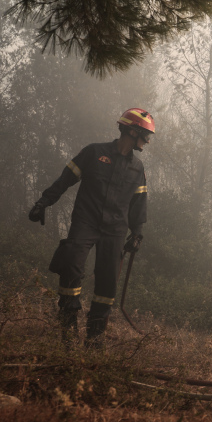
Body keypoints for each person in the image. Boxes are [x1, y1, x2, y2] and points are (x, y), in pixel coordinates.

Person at [28, 108, 154, 347]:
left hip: (115, 230)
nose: (147, 141)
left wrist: (137, 233)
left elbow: (139, 204)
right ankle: (68, 329)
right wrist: (44, 201)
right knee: (71, 267)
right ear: (131, 130)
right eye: (145, 135)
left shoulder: (138, 169)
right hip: (86, 221)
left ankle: (94, 340)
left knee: (107, 284)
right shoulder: (93, 152)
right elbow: (65, 179)